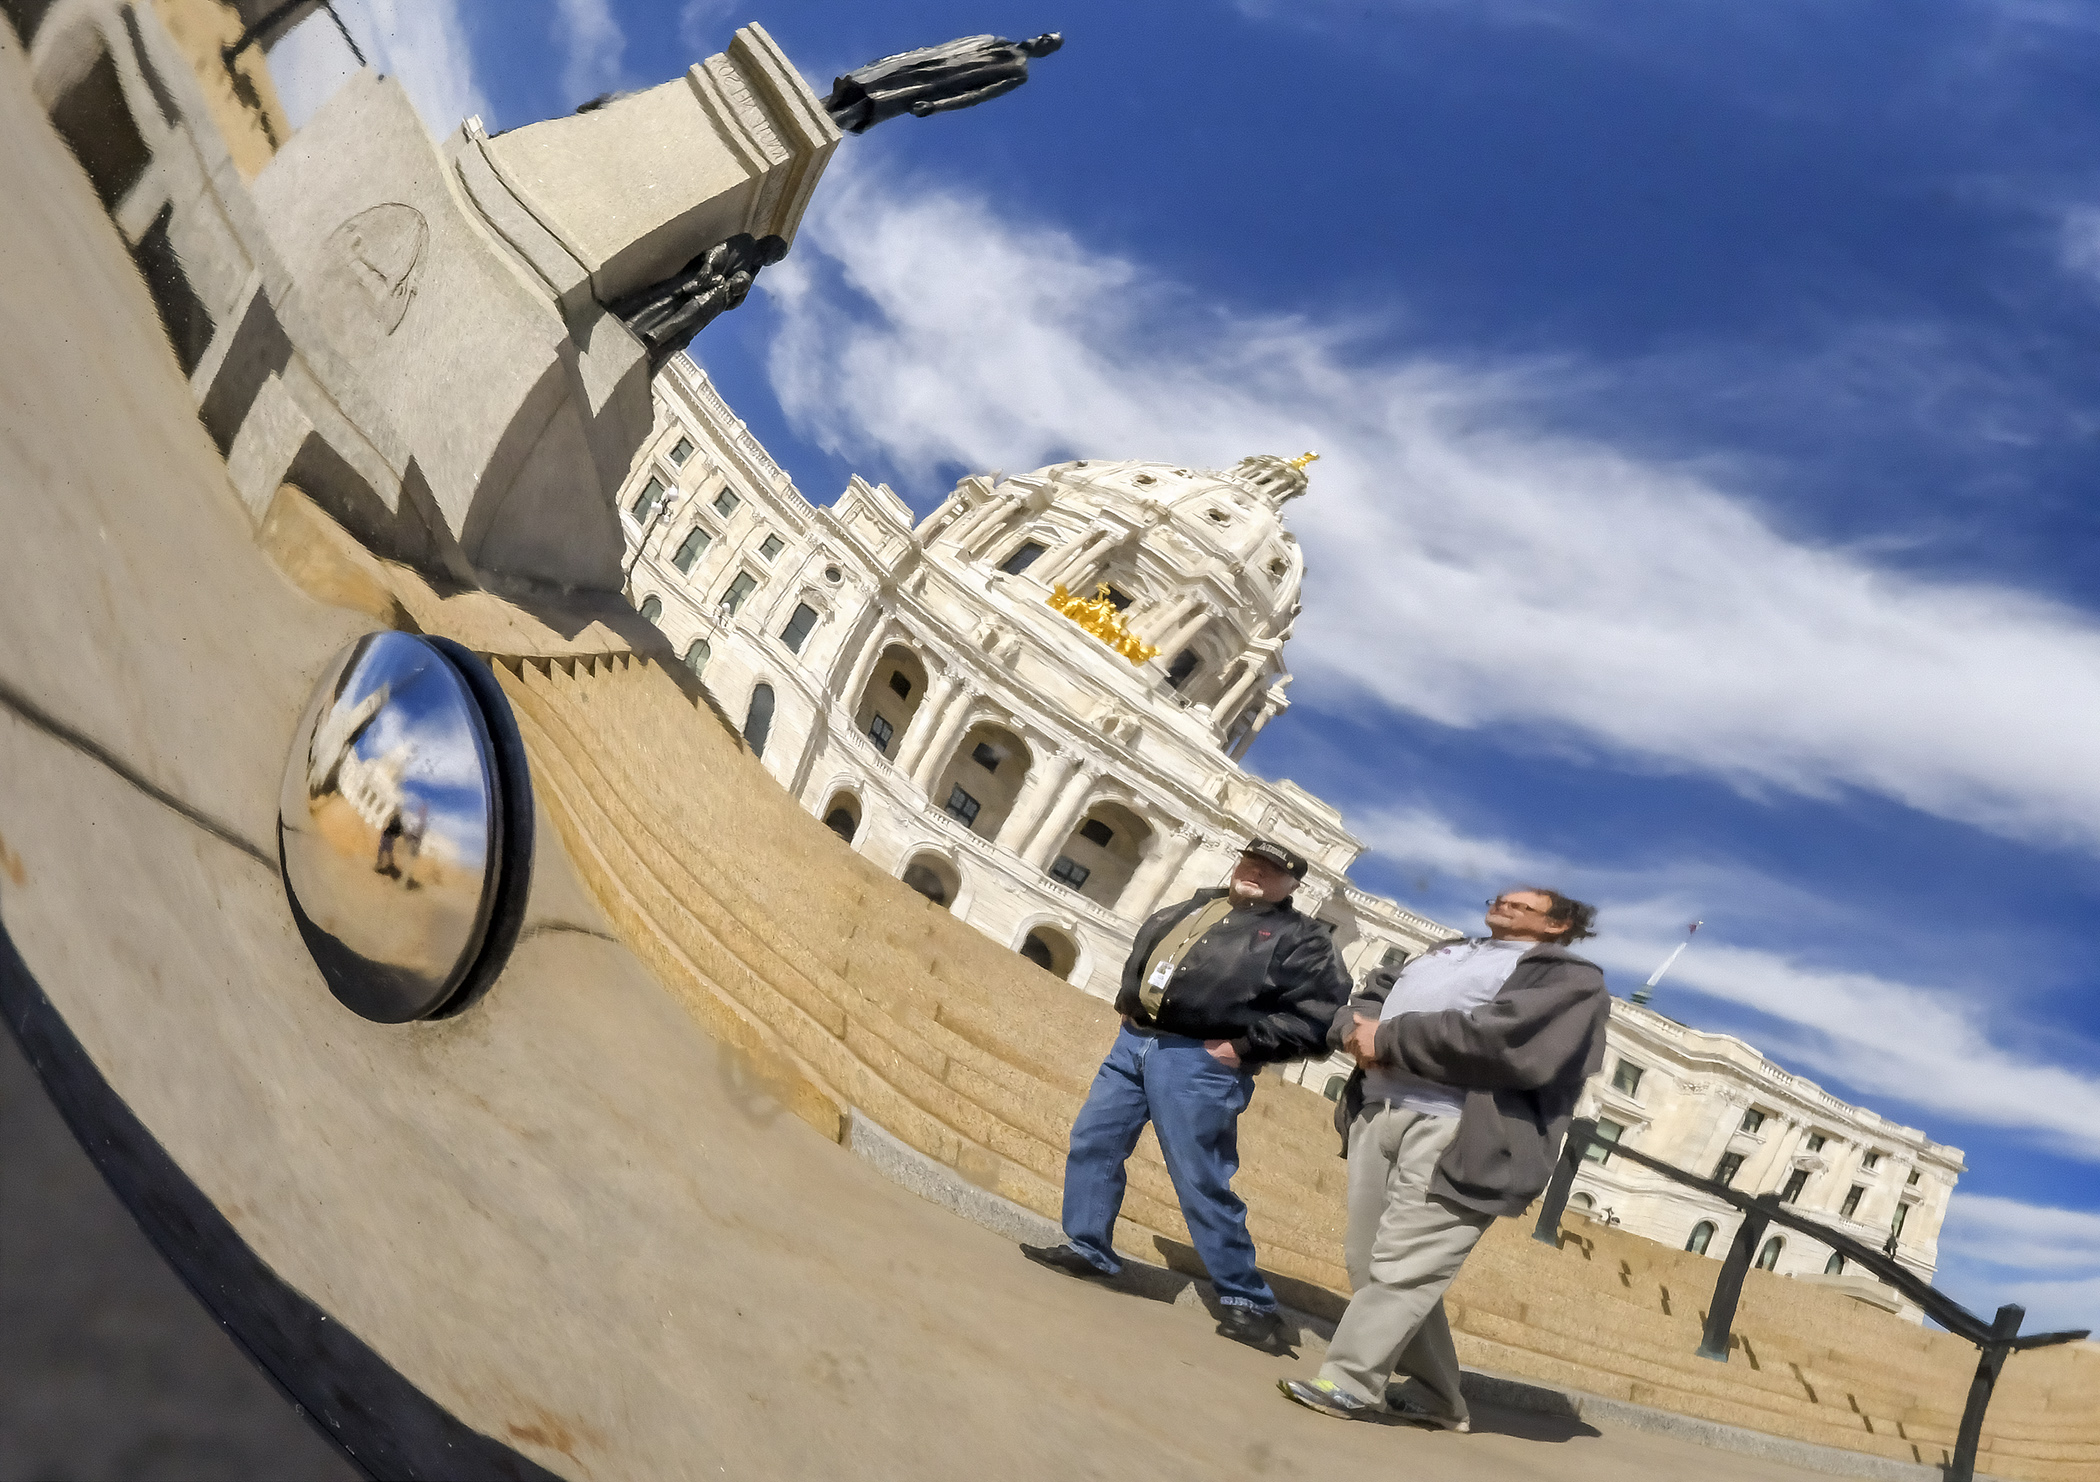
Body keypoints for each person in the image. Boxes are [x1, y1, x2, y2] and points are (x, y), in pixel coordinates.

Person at [1277, 887, 1609, 1427]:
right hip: (1378, 1112)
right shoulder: (1442, 952)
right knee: (1372, 1264)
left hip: (1463, 1132)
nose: (1504, 904)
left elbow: (1507, 1043)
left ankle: (1350, 1385)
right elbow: (1368, 1000)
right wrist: (1354, 1030)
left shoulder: (1572, 980)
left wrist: (1389, 1036)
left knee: (1404, 1268)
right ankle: (1438, 1396)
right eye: (1502, 897)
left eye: (1524, 905)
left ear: (1559, 925)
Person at [1021, 839, 1349, 1344]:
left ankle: (1250, 1302)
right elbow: (1149, 953)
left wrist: (1243, 1047)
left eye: (1269, 871)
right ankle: (1089, 1248)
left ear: (1292, 887)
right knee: (1095, 1141)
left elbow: (1318, 1016)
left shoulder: (1301, 939)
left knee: (1199, 1176)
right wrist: (1128, 999)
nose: (1255, 873)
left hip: (1200, 1060)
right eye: (1250, 862)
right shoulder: (1199, 904)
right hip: (1135, 1041)